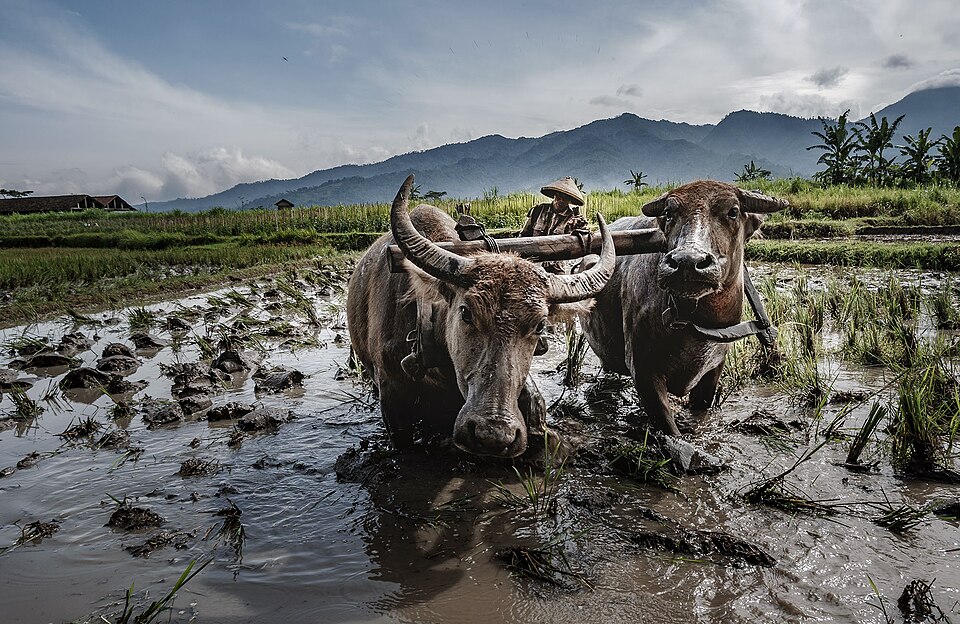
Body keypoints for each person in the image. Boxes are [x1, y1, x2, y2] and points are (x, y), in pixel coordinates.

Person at [520, 176, 588, 238]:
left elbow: (581, 238)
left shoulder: (573, 217)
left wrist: (578, 226)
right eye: (559, 196)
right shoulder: (538, 210)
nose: (561, 200)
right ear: (554, 195)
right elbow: (524, 235)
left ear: (570, 201)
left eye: (565, 198)